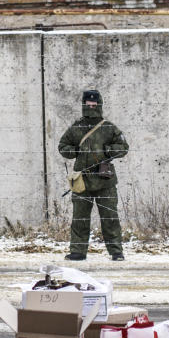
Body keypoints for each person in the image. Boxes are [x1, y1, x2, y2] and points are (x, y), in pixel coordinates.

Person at [58, 89, 129, 261]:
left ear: (100, 105)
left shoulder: (109, 128)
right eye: (88, 105)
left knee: (110, 217)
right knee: (80, 218)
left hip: (105, 180)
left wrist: (108, 150)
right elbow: (63, 146)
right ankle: (78, 251)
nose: (91, 107)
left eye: (94, 105)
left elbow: (123, 147)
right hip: (82, 180)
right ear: (83, 105)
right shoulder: (76, 128)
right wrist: (75, 150)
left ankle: (116, 251)